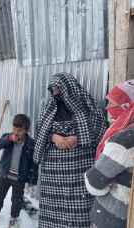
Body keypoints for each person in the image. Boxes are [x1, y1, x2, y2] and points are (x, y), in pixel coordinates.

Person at [33, 73, 106, 228]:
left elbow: (100, 130)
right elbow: (39, 132)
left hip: (78, 172)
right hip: (53, 176)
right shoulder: (49, 108)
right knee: (53, 213)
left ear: (68, 87)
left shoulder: (87, 106)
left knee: (78, 213)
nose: (55, 93)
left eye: (58, 88)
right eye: (52, 89)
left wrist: (78, 138)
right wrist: (54, 137)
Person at [85, 79, 134, 228]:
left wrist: (110, 182)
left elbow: (94, 183)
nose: (107, 108)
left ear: (127, 106)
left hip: (112, 218)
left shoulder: (124, 140)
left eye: (112, 103)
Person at [0, 114, 37, 227]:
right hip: (5, 175)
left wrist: (32, 180)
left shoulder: (30, 144)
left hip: (20, 178)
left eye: (19, 130)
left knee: (17, 200)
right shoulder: (8, 137)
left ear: (26, 130)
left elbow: (34, 164)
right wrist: (8, 139)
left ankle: (14, 218)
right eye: (14, 129)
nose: (16, 132)